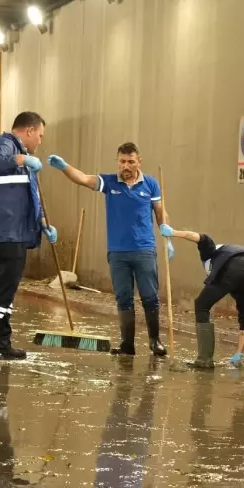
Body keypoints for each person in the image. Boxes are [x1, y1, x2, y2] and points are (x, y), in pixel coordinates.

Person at [47, 143, 174, 357]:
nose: (126, 166)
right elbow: (83, 179)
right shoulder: (109, 182)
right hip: (118, 253)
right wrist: (64, 167)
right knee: (123, 298)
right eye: (122, 161)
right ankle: (127, 345)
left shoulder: (151, 184)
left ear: (139, 161)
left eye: (130, 161)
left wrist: (167, 233)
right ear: (118, 161)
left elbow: (161, 212)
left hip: (144, 250)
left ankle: (155, 341)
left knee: (149, 297)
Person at [0, 111, 57, 360]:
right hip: (2, 232)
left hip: (12, 232)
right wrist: (20, 159)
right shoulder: (2, 146)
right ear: (28, 131)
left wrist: (43, 223)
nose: (40, 141)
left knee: (5, 290)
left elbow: (25, 199)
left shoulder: (20, 158)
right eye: (39, 135)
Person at [158, 224, 244, 370]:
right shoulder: (241, 291)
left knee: (201, 304)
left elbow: (200, 238)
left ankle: (204, 360)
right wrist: (238, 353)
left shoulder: (213, 252)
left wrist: (173, 233)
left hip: (235, 266)